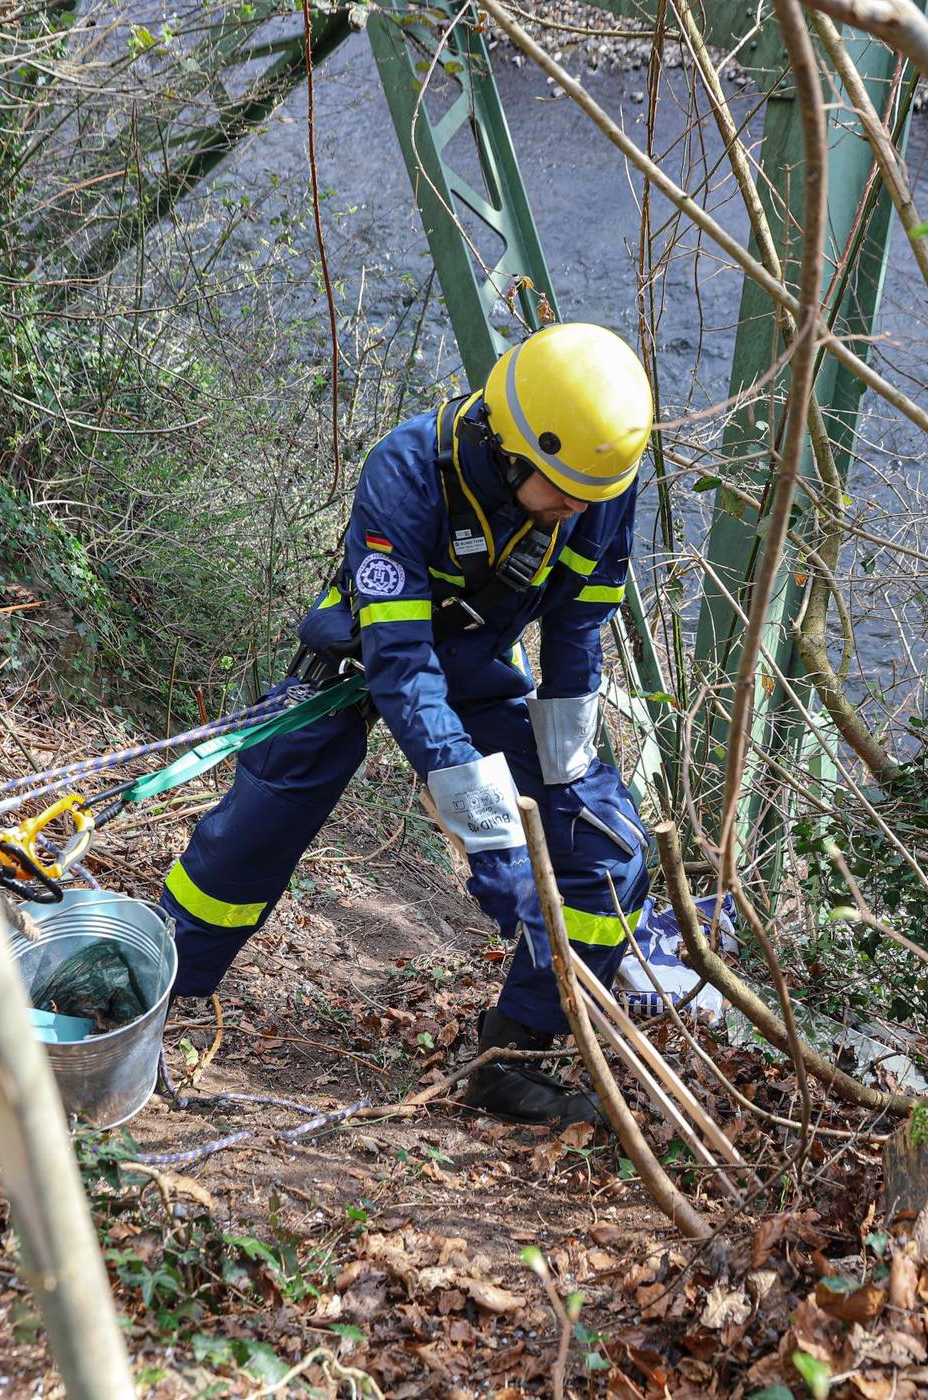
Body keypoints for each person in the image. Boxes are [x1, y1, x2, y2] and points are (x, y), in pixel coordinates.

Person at [158, 322, 655, 1126]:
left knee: (605, 844)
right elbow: (401, 662)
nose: (576, 513)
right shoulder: (410, 468)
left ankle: (518, 1052)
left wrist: (565, 778)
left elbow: (576, 632)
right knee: (263, 819)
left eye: (590, 499)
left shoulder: (594, 482)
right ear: (512, 449)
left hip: (479, 671)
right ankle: (158, 981)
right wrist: (493, 839)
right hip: (367, 658)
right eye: (562, 493)